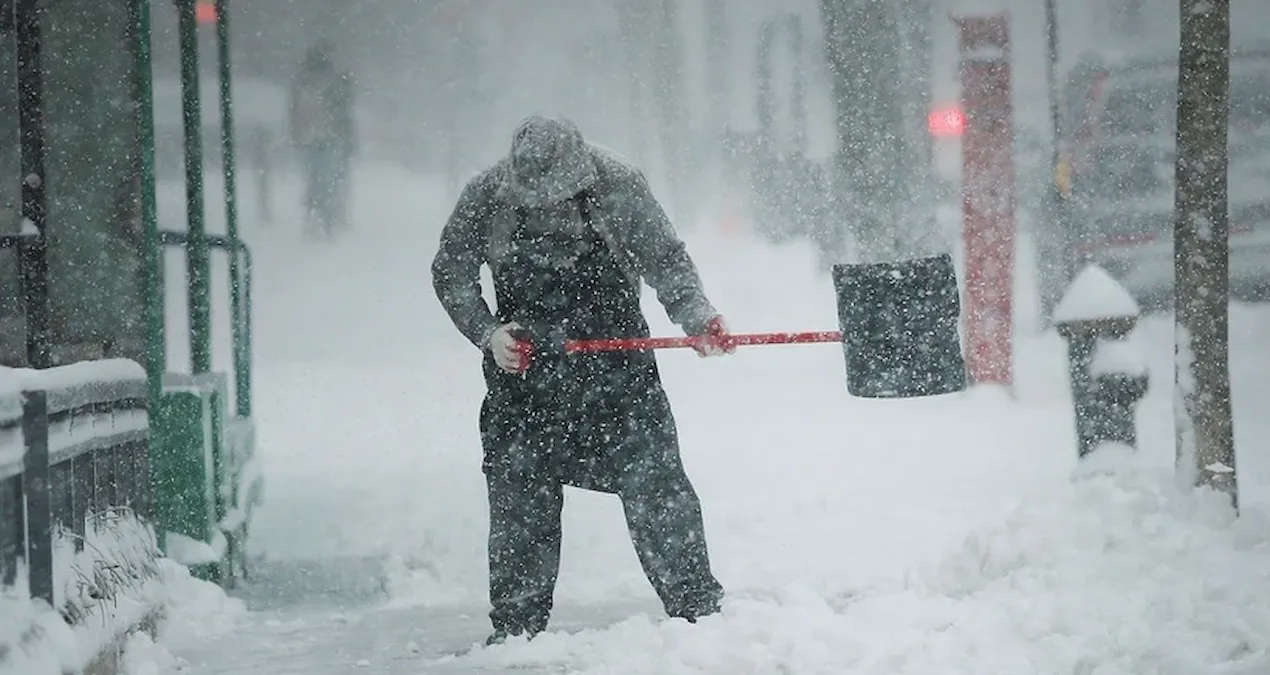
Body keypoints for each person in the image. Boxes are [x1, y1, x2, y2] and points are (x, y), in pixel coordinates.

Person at [431, 116, 734, 645]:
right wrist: (488, 332)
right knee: (520, 500)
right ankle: (517, 630)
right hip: (524, 381)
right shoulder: (486, 195)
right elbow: (450, 272)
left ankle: (697, 612)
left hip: (618, 379)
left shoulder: (619, 183)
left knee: (657, 488)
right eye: (537, 202)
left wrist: (697, 316)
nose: (549, 210)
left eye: (560, 200)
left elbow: (664, 258)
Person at [288, 41, 355, 237]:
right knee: (324, 179)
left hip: (317, 138)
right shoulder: (333, 83)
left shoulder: (306, 84)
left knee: (319, 178)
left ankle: (319, 215)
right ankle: (323, 215)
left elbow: (296, 112)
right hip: (323, 138)